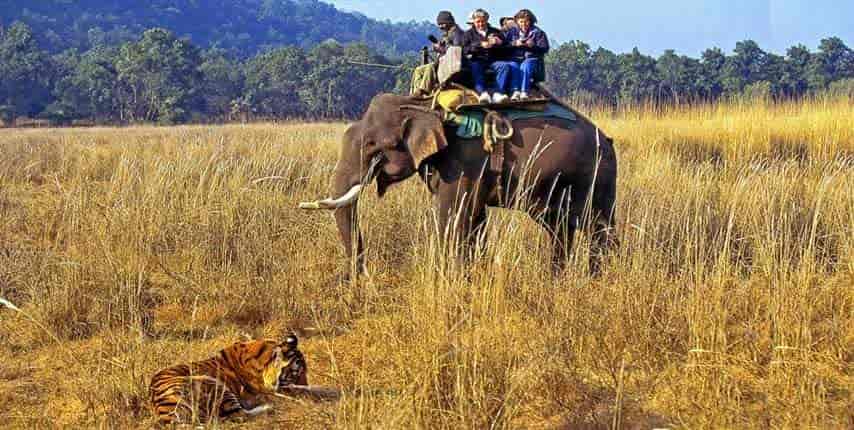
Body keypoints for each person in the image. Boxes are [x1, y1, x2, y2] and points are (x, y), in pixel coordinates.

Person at [462, 9, 513, 103]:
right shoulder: (468, 34)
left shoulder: (496, 32)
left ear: (486, 20)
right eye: (478, 22)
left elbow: (507, 47)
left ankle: (498, 93)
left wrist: (499, 43)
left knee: (504, 66)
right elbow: (465, 49)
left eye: (483, 21)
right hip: (477, 59)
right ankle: (482, 93)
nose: (481, 24)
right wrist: (479, 45)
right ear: (474, 21)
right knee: (476, 67)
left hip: (493, 60)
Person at [410, 11, 465, 96]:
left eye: (442, 24)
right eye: (439, 24)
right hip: (443, 62)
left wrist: (441, 49)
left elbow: (456, 51)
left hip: (450, 65)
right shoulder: (447, 34)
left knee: (430, 67)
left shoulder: (457, 33)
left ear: (449, 21)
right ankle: (415, 93)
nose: (440, 26)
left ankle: (423, 91)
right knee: (418, 70)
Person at [505, 9, 549, 100]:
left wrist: (533, 46)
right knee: (513, 66)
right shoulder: (512, 31)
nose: (524, 24)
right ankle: (515, 91)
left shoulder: (538, 32)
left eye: (526, 22)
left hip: (532, 58)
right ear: (517, 21)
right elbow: (505, 45)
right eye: (521, 22)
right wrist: (514, 43)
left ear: (530, 21)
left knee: (525, 66)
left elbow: (545, 48)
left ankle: (524, 91)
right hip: (515, 58)